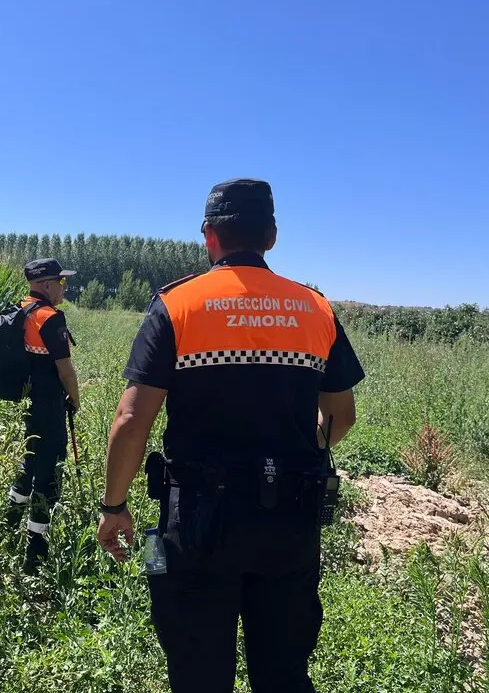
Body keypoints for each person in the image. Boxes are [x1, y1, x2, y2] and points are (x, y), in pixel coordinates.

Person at [96, 179, 365, 692]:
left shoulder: (178, 305)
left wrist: (114, 507)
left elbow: (133, 420)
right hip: (290, 522)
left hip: (196, 523)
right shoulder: (315, 309)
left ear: (209, 236)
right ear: (272, 236)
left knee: (198, 674)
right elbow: (340, 417)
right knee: (284, 674)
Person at [5, 257, 81, 575]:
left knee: (30, 461)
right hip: (50, 406)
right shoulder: (50, 318)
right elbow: (66, 372)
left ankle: (8, 524)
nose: (64, 289)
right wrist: (75, 401)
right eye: (61, 283)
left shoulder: (19, 311)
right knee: (49, 473)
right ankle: (35, 551)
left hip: (27, 403)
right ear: (47, 284)